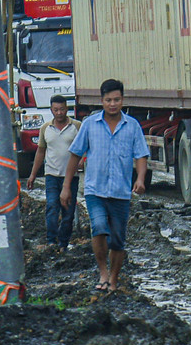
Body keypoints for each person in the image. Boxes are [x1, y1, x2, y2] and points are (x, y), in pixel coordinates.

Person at [61, 78, 148, 293]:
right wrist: (65, 186)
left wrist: (140, 179)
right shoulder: (90, 125)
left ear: (122, 100)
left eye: (116, 99)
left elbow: (141, 155)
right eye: (108, 100)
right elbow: (75, 155)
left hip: (120, 192)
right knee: (99, 228)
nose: (112, 104)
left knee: (118, 239)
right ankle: (102, 272)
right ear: (102, 101)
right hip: (95, 190)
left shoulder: (132, 126)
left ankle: (114, 278)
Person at [25, 95, 80, 251]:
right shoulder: (45, 128)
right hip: (51, 175)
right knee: (51, 206)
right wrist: (33, 175)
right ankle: (51, 241)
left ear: (67, 109)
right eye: (56, 110)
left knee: (68, 212)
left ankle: (63, 243)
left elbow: (85, 147)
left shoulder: (77, 126)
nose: (59, 113)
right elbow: (40, 152)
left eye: (62, 109)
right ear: (51, 110)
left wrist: (82, 161)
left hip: (71, 177)